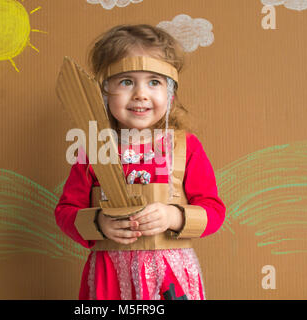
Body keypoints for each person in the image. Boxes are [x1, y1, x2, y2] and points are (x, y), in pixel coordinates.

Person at [54, 24, 226, 300]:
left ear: (170, 92)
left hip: (170, 276)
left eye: (154, 82)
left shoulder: (185, 147)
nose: (140, 94)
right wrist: (99, 222)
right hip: (110, 276)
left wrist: (174, 216)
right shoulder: (93, 150)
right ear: (105, 91)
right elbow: (65, 211)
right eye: (126, 81)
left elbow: (213, 210)